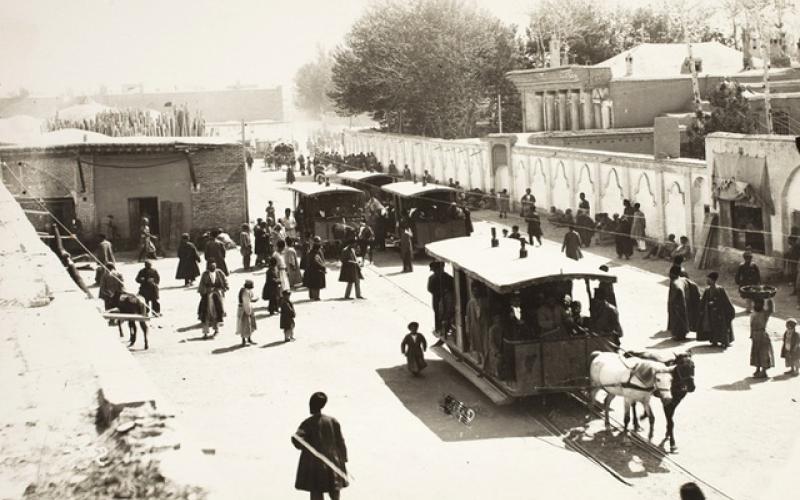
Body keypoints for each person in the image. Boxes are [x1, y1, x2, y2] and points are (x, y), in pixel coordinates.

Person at [292, 392, 348, 500]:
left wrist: (298, 441)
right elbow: (340, 442)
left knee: (316, 493)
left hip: (315, 465)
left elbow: (297, 440)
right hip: (333, 462)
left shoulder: (307, 423)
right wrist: (344, 459)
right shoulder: (332, 421)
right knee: (334, 491)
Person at [697, 272, 735, 348]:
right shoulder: (707, 290)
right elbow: (703, 301)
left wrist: (715, 303)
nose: (707, 281)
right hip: (710, 313)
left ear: (713, 280)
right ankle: (714, 341)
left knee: (721, 327)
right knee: (711, 327)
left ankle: (723, 342)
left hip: (719, 313)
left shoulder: (720, 289)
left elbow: (724, 301)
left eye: (708, 279)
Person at [198, 261, 228, 338]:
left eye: (214, 265)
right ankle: (205, 333)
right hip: (207, 297)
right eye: (211, 265)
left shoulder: (219, 272)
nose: (213, 267)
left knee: (217, 313)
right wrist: (207, 290)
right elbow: (201, 285)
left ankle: (216, 330)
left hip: (217, 296)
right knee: (205, 314)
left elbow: (225, 281)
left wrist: (223, 288)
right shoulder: (205, 274)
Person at [428, 262, 454, 342]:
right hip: (437, 299)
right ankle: (438, 328)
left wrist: (446, 292)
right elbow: (430, 289)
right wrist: (438, 293)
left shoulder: (448, 278)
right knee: (437, 313)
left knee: (447, 313)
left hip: (446, 299)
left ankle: (447, 329)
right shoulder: (432, 278)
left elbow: (452, 287)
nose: (435, 272)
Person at [750, 298, 775, 378]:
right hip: (755, 335)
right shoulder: (753, 313)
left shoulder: (764, 313)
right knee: (755, 352)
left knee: (763, 353)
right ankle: (757, 369)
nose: (756, 305)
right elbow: (751, 325)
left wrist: (769, 298)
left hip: (762, 335)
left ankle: (764, 371)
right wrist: (751, 334)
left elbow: (771, 309)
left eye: (758, 304)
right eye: (755, 303)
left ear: (762, 304)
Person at [667, 265, 691, 340]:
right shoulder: (681, 280)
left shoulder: (675, 283)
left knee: (678, 320)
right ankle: (682, 335)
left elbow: (678, 291)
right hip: (682, 303)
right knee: (682, 319)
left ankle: (679, 336)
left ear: (672, 274)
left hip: (678, 304)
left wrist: (674, 302)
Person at [236, 280, 258, 346]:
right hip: (245, 309)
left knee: (249, 325)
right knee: (245, 325)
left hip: (246, 308)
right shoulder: (245, 292)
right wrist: (248, 311)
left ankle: (248, 339)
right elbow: (246, 302)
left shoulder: (244, 290)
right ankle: (244, 340)